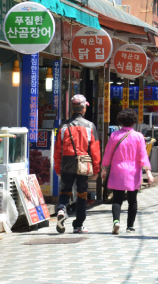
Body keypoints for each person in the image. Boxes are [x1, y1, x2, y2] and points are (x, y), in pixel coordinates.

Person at [101, 109, 154, 235]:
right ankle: (130, 226)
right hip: (133, 171)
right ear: (133, 122)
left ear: (120, 121)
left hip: (117, 169)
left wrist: (104, 168)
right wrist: (148, 172)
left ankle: (116, 221)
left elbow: (108, 153)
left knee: (117, 199)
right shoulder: (138, 136)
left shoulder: (114, 135)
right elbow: (143, 155)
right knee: (133, 200)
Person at [54, 94, 101, 234]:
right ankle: (78, 225)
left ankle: (61, 209)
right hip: (84, 163)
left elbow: (57, 150)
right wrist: (96, 169)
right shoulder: (90, 126)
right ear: (83, 109)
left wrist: (57, 167)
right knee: (82, 194)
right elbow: (95, 150)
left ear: (72, 108)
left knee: (65, 191)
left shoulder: (63, 126)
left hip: (66, 161)